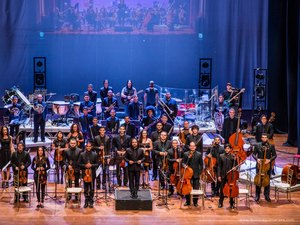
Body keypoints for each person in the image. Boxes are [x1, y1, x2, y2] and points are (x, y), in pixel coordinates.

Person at [252, 133, 277, 203]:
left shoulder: (271, 146)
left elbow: (275, 155)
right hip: (259, 165)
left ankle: (267, 195)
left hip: (267, 166)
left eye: (265, 137)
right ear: (261, 138)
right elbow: (253, 154)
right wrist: (257, 159)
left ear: (267, 138)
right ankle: (257, 195)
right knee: (258, 180)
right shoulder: (257, 145)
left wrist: (269, 160)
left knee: (267, 181)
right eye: (263, 137)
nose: (264, 139)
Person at [78, 141, 99, 208]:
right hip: (85, 174)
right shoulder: (82, 154)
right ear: (86, 147)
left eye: (90, 146)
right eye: (87, 146)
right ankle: (86, 201)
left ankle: (91, 201)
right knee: (86, 188)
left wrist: (91, 165)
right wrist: (85, 166)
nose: (88, 147)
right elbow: (79, 164)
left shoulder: (95, 154)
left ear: (91, 147)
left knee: (92, 188)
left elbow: (97, 164)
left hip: (92, 173)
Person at [182, 142, 203, 207]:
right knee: (188, 188)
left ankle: (195, 202)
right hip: (188, 174)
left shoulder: (199, 154)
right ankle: (188, 201)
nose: (192, 147)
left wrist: (199, 172)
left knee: (196, 188)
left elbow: (201, 164)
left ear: (195, 147)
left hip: (196, 174)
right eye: (191, 146)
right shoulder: (186, 154)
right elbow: (183, 162)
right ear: (189, 147)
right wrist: (184, 165)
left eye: (193, 146)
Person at [217, 144, 237, 209]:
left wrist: (235, 168)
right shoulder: (221, 156)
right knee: (222, 189)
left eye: (228, 148)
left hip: (231, 176)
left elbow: (236, 166)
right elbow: (219, 166)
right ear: (224, 149)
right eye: (226, 148)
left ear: (230, 149)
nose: (227, 149)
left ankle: (231, 203)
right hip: (223, 175)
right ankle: (220, 202)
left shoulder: (233, 156)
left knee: (231, 189)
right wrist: (219, 175)